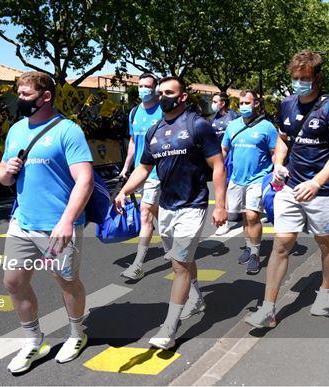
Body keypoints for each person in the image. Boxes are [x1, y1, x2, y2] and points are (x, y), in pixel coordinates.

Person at [115, 76, 227, 349]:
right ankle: (197, 298)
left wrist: (221, 205)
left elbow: (218, 165)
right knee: (184, 261)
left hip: (193, 205)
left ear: (182, 97)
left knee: (178, 265)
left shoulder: (197, 125)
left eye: (169, 92)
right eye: (160, 91)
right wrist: (123, 191)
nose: (162, 96)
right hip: (166, 208)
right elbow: (143, 169)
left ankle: (169, 328)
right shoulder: (153, 131)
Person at [245, 50, 329, 328]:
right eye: (295, 78)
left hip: (323, 190)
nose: (299, 83)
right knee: (281, 244)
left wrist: (317, 182)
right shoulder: (286, 104)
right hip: (290, 188)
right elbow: (283, 139)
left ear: (317, 76)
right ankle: (268, 308)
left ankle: (326, 290)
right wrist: (278, 163)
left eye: (304, 78)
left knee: (325, 244)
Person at [0, 72, 94, 373]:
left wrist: (67, 221)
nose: (20, 99)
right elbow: (0, 175)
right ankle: (33, 339)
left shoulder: (68, 131)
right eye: (19, 93)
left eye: (25, 94)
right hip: (22, 223)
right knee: (13, 281)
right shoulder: (15, 131)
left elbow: (85, 180)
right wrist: (7, 171)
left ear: (45, 97)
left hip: (58, 226)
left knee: (66, 282)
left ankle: (77, 333)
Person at [221, 90, 278, 274]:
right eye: (241, 102)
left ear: (256, 104)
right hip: (237, 179)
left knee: (253, 215)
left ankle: (255, 253)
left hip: (258, 178)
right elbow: (224, 148)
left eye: (247, 102)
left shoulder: (267, 127)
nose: (244, 106)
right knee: (244, 215)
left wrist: (278, 171)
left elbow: (275, 152)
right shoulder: (232, 126)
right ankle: (248, 246)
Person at [118, 73, 163, 280]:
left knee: (145, 212)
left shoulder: (164, 110)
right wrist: (126, 168)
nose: (143, 89)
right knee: (154, 210)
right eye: (140, 86)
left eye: (147, 86)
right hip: (139, 172)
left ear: (155, 89)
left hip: (158, 171)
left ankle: (138, 265)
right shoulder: (134, 112)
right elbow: (133, 143)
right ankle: (171, 236)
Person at [211, 92, 240, 236]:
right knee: (223, 186)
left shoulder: (234, 116)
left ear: (222, 103)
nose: (213, 103)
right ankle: (225, 222)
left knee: (233, 185)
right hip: (219, 158)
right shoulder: (213, 119)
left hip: (233, 157)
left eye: (215, 101)